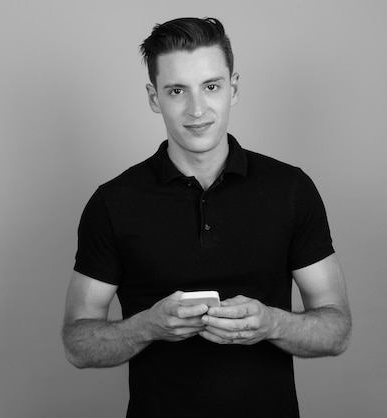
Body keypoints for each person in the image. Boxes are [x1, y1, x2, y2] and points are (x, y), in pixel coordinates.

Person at [61, 17, 352, 417]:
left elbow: (336, 329)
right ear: (153, 97)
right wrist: (148, 326)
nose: (197, 109)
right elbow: (78, 342)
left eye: (211, 86)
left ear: (233, 88)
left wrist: (271, 324)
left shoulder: (291, 189)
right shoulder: (113, 202)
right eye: (177, 90)